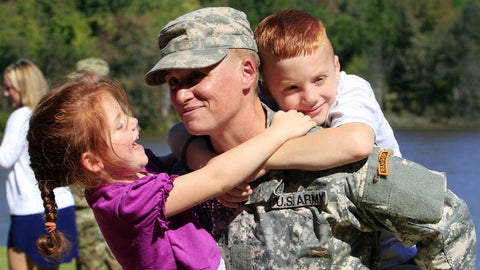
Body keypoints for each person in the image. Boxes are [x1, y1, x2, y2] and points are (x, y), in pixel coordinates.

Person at [144, 7, 476, 269]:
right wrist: (215, 168)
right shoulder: (179, 179)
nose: (182, 94)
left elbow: (446, 217)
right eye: (173, 82)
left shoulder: (335, 156)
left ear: (247, 72)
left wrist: (249, 161)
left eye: (196, 76)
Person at [26, 75, 316, 270]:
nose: (133, 121)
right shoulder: (127, 202)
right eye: (119, 125)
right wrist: (278, 131)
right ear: (93, 162)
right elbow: (217, 177)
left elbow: (179, 155)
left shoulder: (128, 175)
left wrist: (203, 165)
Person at [254, 9, 416, 269]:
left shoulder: (352, 91)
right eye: (292, 88)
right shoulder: (266, 104)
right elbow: (179, 134)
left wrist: (259, 158)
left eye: (319, 79)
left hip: (394, 255)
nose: (310, 97)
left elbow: (357, 143)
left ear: (336, 67)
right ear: (266, 91)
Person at [1, 59, 78, 270]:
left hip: (30, 211)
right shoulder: (51, 114)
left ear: (23, 87)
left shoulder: (20, 116)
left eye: (9, 88)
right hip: (58, 206)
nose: (6, 94)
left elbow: (4, 158)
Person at [69, 57, 121, 270]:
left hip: (113, 202)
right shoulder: (73, 113)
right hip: (84, 207)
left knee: (119, 261)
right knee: (90, 263)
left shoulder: (111, 109)